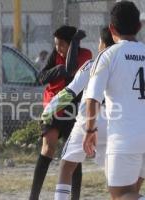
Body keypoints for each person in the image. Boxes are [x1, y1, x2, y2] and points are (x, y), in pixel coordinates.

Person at [83, 1, 145, 200]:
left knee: (122, 195)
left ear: (112, 28)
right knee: (131, 193)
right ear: (139, 26)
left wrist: (90, 130)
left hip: (126, 138)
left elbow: (92, 99)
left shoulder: (108, 55)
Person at [41, 26, 115, 200]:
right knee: (115, 176)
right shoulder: (123, 66)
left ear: (103, 44)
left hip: (88, 123)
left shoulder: (92, 64)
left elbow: (70, 91)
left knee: (66, 166)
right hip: (114, 124)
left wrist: (49, 109)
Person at [29, 25, 92, 200]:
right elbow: (41, 77)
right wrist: (59, 70)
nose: (58, 48)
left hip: (74, 108)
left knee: (73, 154)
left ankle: (75, 197)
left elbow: (71, 68)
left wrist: (75, 42)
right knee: (48, 147)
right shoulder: (55, 55)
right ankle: (33, 197)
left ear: (73, 44)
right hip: (54, 105)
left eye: (62, 44)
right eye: (56, 44)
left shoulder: (85, 55)